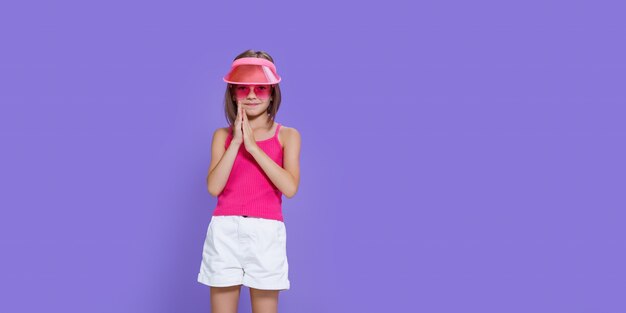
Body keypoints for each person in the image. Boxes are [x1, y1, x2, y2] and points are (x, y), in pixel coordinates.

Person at [197, 49, 301, 313]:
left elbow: (289, 187)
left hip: (266, 233)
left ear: (273, 93)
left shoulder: (287, 136)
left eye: (261, 88)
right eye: (243, 88)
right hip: (225, 232)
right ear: (233, 93)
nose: (252, 95)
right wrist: (237, 144)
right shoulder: (222, 136)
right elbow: (213, 187)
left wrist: (254, 148)